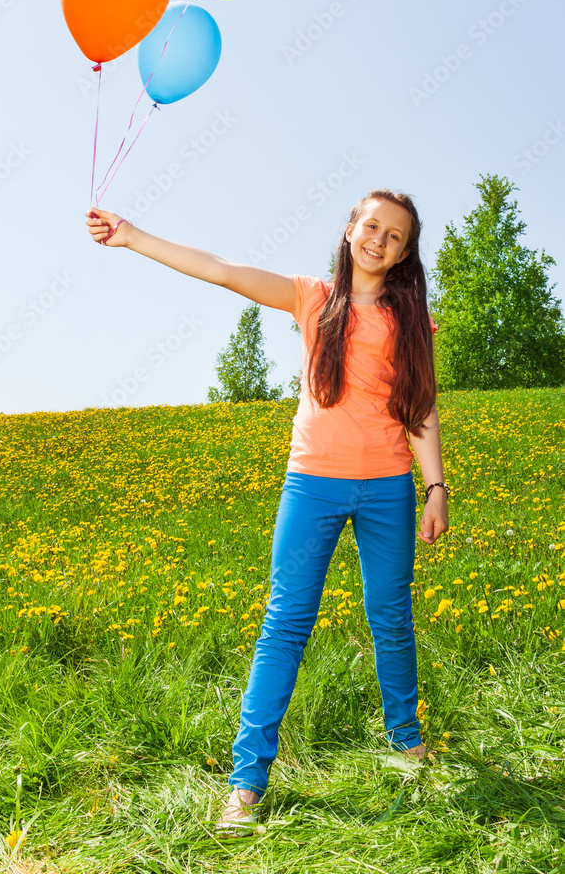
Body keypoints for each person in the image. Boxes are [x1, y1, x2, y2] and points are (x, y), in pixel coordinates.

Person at [84, 188, 450, 836]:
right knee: (285, 625)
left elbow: (419, 407)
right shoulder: (311, 298)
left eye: (395, 236)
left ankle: (407, 744)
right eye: (370, 226)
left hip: (388, 485)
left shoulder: (409, 321)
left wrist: (435, 487)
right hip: (312, 484)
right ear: (348, 230)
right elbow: (223, 271)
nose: (379, 240)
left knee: (389, 619)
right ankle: (247, 782)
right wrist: (133, 236)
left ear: (403, 254)